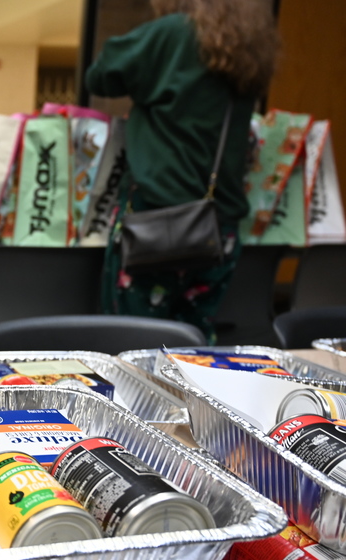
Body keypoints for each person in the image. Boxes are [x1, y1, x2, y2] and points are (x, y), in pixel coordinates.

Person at [86, 0, 279, 342]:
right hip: (219, 227)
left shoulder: (174, 33)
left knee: (130, 343)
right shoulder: (248, 45)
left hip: (157, 221)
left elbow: (101, 75)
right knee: (194, 345)